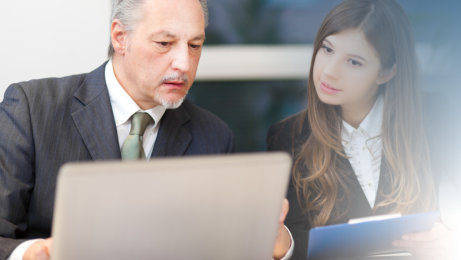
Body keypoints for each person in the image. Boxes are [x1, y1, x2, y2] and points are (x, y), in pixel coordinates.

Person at [0, 0, 239, 259]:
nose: (184, 64)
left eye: (194, 45)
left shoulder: (215, 136)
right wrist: (30, 253)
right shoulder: (32, 109)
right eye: (164, 44)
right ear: (120, 37)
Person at [267, 0, 455, 259]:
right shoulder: (288, 136)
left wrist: (452, 241)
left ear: (387, 72)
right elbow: (298, 242)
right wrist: (283, 245)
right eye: (327, 49)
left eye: (354, 62)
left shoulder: (437, 118)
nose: (329, 72)